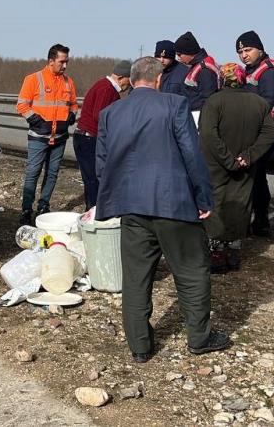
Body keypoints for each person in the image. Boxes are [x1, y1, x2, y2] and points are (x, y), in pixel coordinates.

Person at [96, 56, 231, 363]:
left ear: (132, 80)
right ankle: (199, 337)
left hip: (131, 207)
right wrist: (203, 199)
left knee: (135, 278)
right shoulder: (174, 105)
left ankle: (140, 346)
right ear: (158, 80)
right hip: (174, 204)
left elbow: (102, 164)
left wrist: (116, 199)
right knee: (192, 271)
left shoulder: (110, 113)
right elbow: (192, 155)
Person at [199, 63, 274, 273]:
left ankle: (216, 250)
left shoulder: (214, 102)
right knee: (241, 202)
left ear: (222, 80)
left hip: (216, 163)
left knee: (216, 202)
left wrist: (227, 159)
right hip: (245, 165)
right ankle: (234, 250)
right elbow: (269, 134)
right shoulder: (259, 103)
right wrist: (248, 157)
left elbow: (208, 134)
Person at [16, 44, 79, 225]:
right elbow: (21, 105)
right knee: (33, 172)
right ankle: (26, 210)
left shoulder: (68, 82)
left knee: (52, 174)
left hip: (60, 138)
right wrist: (38, 122)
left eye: (67, 61)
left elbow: (74, 104)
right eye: (62, 61)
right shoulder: (34, 79)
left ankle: (43, 206)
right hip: (38, 136)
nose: (65, 65)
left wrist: (71, 116)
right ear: (51, 61)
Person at [236, 30, 274, 236]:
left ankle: (261, 221)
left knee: (256, 177)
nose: (243, 55)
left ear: (260, 49)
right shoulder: (250, 70)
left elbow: (269, 103)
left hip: (264, 133)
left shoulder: (271, 70)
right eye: (240, 52)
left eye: (247, 50)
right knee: (251, 177)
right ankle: (251, 219)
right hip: (250, 131)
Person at [72, 60, 131, 209]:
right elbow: (100, 116)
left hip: (85, 137)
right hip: (89, 139)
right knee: (93, 179)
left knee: (91, 179)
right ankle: (94, 212)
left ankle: (92, 209)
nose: (128, 86)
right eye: (129, 81)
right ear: (122, 77)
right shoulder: (107, 89)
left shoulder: (103, 85)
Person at [174, 31, 222, 124]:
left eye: (180, 54)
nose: (178, 58)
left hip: (199, 118)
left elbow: (208, 99)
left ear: (189, 52)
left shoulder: (205, 70)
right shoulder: (196, 66)